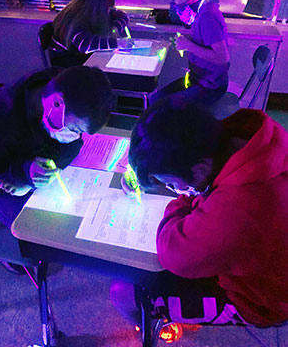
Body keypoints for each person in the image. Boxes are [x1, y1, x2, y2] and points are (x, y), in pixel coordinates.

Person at [111, 100, 288, 328]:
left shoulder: (237, 208)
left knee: (123, 291)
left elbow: (172, 252)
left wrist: (176, 204)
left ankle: (155, 327)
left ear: (200, 170)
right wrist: (165, 180)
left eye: (171, 184)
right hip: (268, 265)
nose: (172, 191)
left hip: (264, 299)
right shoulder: (246, 136)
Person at [0, 66, 113, 228]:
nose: (75, 137)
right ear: (56, 103)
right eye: (75, 130)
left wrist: (53, 164)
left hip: (30, 153)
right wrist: (22, 176)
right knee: (48, 230)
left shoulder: (62, 85)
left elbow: (71, 145)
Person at [150, 0, 230, 106]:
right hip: (198, 79)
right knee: (155, 99)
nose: (173, 2)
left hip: (210, 86)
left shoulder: (207, 16)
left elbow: (222, 58)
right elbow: (202, 37)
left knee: (158, 104)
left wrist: (188, 46)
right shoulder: (202, 8)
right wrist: (189, 41)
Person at [49, 0, 129, 67]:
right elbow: (85, 45)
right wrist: (117, 43)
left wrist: (115, 28)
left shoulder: (89, 11)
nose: (109, 11)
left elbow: (122, 15)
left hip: (77, 59)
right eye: (107, 8)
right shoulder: (75, 20)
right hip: (65, 65)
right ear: (100, 8)